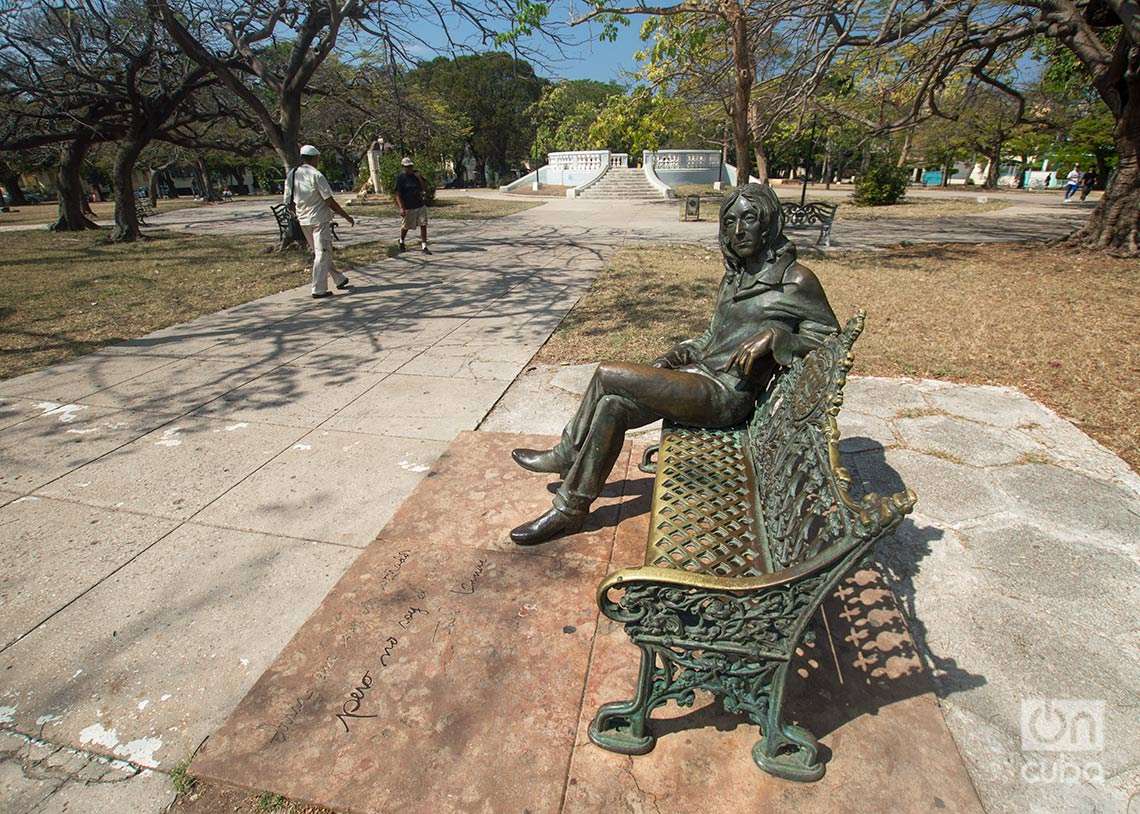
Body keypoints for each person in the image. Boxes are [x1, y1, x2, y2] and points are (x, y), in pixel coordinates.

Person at [509, 183, 840, 545]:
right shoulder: (736, 276)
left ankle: (565, 453)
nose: (739, 230)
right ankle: (570, 511)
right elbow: (711, 337)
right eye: (729, 222)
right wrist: (675, 355)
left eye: (749, 218)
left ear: (769, 222)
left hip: (725, 395)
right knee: (612, 406)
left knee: (607, 374)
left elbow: (829, 338)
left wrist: (778, 339)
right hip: (696, 377)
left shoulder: (795, 280)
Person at [284, 144, 355, 299]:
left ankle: (339, 278)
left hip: (304, 221)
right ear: (315, 158)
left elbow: (288, 201)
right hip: (318, 220)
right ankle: (318, 288)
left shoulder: (292, 174)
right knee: (322, 253)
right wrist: (346, 216)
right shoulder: (316, 175)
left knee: (321, 252)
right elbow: (329, 200)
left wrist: (297, 214)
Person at [395, 157, 430, 254]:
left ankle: (424, 246)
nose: (409, 168)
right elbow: (398, 194)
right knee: (406, 226)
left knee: (423, 224)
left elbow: (424, 188)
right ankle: (401, 241)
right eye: (407, 167)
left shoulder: (416, 175)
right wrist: (401, 207)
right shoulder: (401, 178)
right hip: (408, 206)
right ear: (403, 167)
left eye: (411, 166)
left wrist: (419, 178)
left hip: (420, 205)